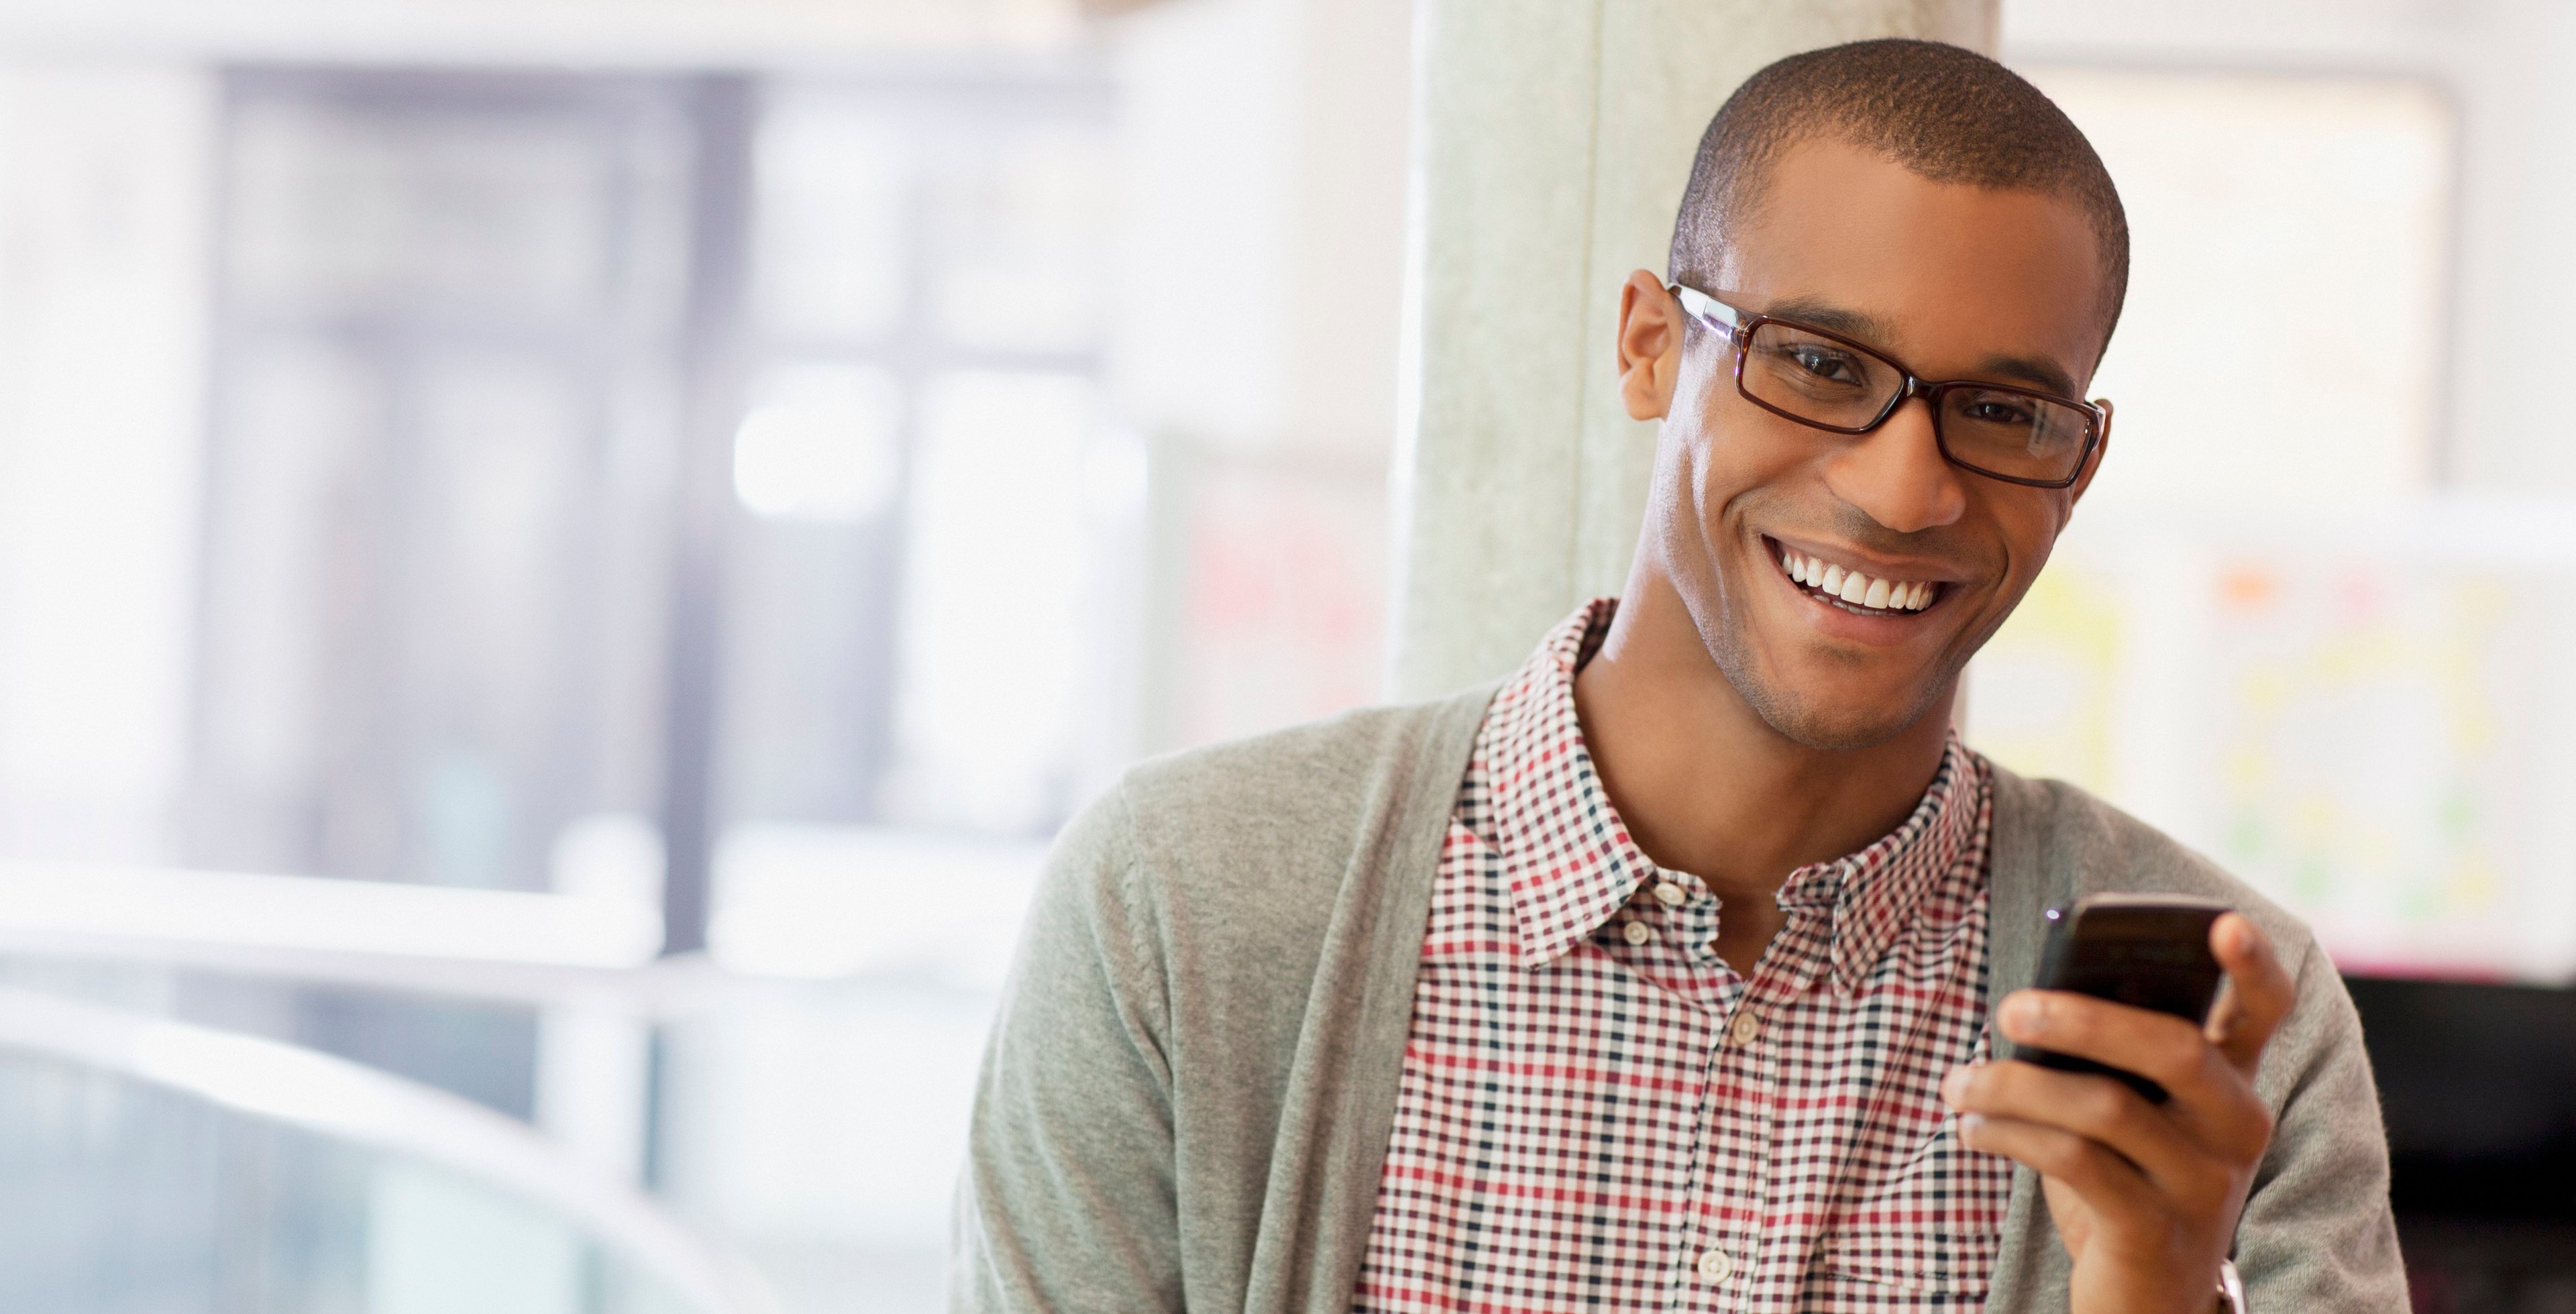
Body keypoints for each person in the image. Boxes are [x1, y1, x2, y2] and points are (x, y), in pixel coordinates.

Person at [951, 38, 2406, 1314]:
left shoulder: (2239, 1038)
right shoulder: (1188, 911)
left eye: (2003, 411)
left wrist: (2153, 1295)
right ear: (1653, 346)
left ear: (2078, 466)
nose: (1907, 489)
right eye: (1821, 364)